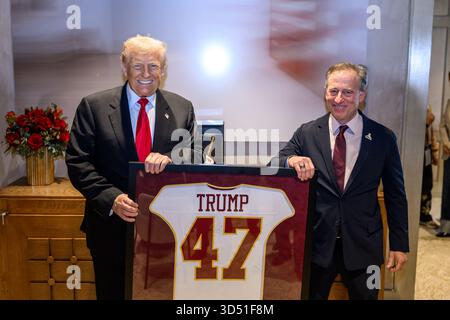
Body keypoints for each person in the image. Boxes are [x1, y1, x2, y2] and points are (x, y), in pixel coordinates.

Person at [66, 35, 201, 299]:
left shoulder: (182, 107)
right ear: (124, 67)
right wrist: (112, 198)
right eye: (138, 66)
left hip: (166, 231)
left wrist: (172, 159)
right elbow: (78, 161)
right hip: (110, 230)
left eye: (153, 66)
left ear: (163, 70)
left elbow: (194, 154)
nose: (146, 74)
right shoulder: (93, 107)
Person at [273, 62, 409, 300]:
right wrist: (292, 160)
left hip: (364, 248)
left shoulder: (383, 138)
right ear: (325, 92)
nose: (339, 99)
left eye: (347, 92)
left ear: (361, 95)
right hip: (317, 246)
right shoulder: (308, 132)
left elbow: (395, 194)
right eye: (333, 91)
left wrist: (399, 244)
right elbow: (277, 161)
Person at [420, 106, 439, 228]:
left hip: (426, 150)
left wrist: (434, 153)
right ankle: (421, 214)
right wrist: (426, 123)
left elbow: (432, 133)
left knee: (428, 184)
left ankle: (425, 213)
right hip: (417, 152)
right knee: (421, 185)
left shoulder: (428, 108)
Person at [437, 72, 450, 237]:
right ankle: (446, 227)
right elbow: (442, 125)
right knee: (448, 190)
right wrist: (446, 143)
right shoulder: (449, 102)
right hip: (449, 152)